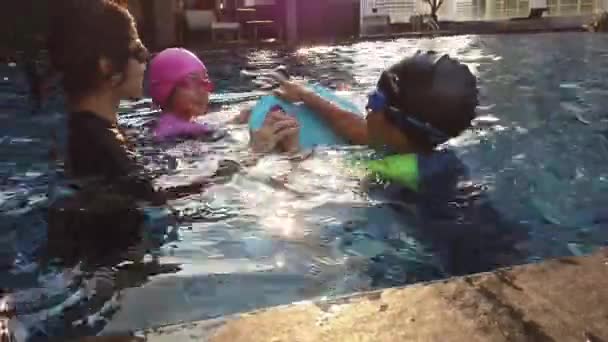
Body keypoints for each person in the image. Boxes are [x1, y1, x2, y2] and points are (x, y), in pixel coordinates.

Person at [271, 51, 529, 277]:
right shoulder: (435, 157)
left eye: (374, 100)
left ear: (395, 124)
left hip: (459, 271)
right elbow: (361, 129)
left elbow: (305, 186)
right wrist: (305, 95)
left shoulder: (390, 174)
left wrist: (290, 150)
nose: (367, 107)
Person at [45, 0, 234, 265]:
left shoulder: (84, 133)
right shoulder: (105, 149)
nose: (147, 61)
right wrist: (243, 163)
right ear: (107, 67)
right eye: (139, 51)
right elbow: (157, 203)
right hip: (114, 273)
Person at [149, 47, 300, 154]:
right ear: (165, 88)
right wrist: (256, 149)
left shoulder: (175, 125)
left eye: (206, 82)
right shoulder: (175, 132)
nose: (204, 90)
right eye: (193, 82)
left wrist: (236, 119)